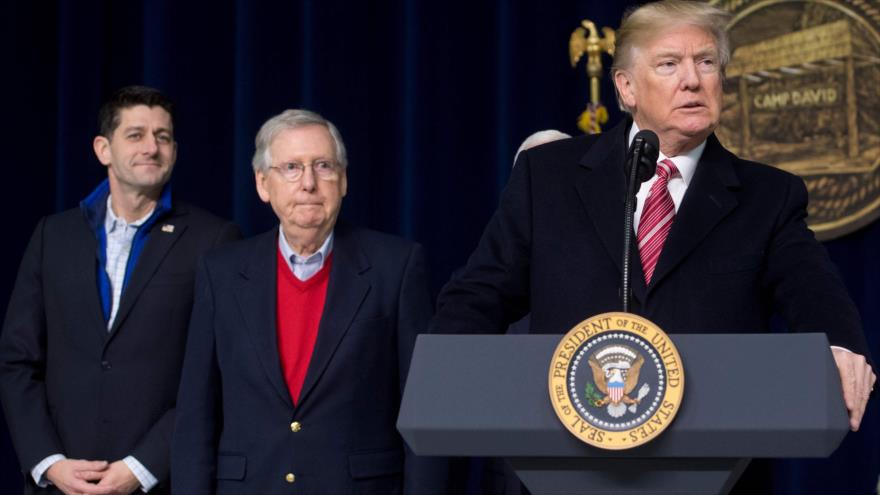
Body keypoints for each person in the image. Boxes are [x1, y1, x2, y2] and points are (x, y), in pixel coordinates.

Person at [430, 0, 874, 439]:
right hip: (567, 453)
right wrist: (445, 374)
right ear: (626, 88)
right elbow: (479, 294)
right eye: (669, 64)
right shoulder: (547, 177)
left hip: (715, 458)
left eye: (706, 62)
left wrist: (840, 346)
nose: (692, 81)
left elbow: (813, 290)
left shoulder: (769, 195)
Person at [172, 109, 447, 494]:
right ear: (262, 184)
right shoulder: (221, 273)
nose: (309, 183)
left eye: (323, 166)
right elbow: (195, 416)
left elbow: (425, 414)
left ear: (344, 180)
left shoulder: (396, 267)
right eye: (291, 167)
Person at [0, 85, 240, 495]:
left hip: (157, 482)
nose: (152, 147)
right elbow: (17, 362)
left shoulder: (214, 240)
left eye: (163, 137)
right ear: (103, 149)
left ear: (175, 151)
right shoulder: (51, 236)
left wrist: (143, 467)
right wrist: (50, 463)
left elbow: (217, 374)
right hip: (59, 485)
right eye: (136, 135)